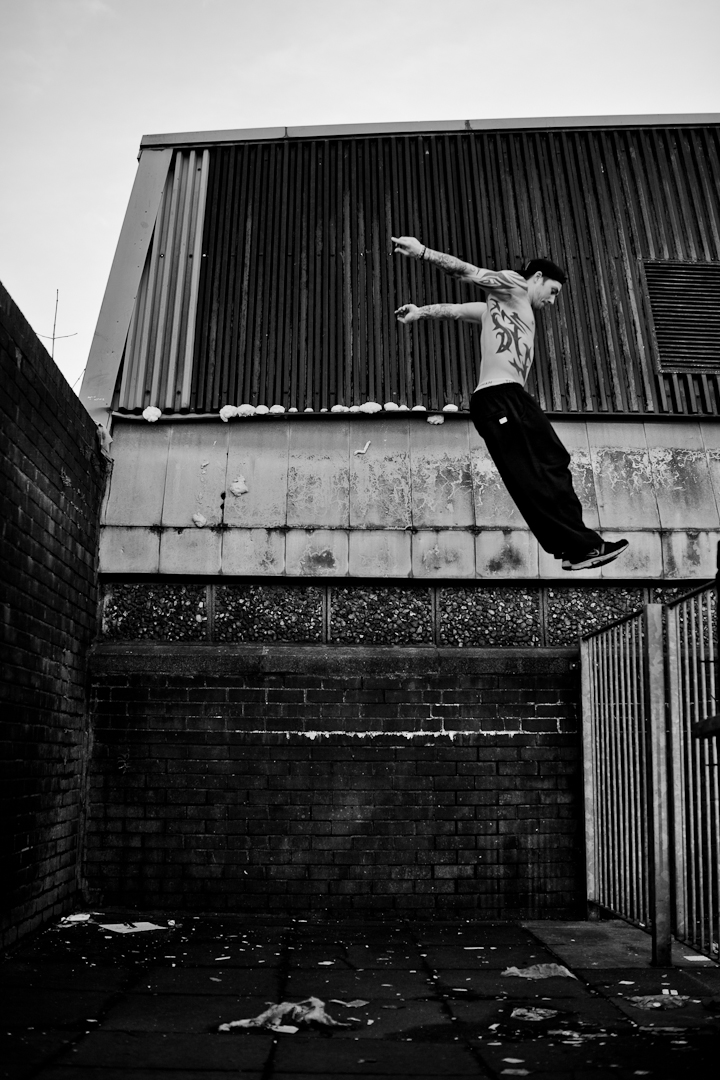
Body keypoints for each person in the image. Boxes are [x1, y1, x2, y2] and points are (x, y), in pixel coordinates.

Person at [392, 235, 628, 572]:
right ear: (537, 278)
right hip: (501, 396)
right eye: (553, 291)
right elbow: (468, 272)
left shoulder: (498, 309)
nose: (552, 301)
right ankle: (581, 546)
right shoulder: (515, 285)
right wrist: (423, 253)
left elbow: (455, 311)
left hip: (500, 400)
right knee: (544, 466)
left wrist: (421, 312)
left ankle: (573, 547)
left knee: (538, 471)